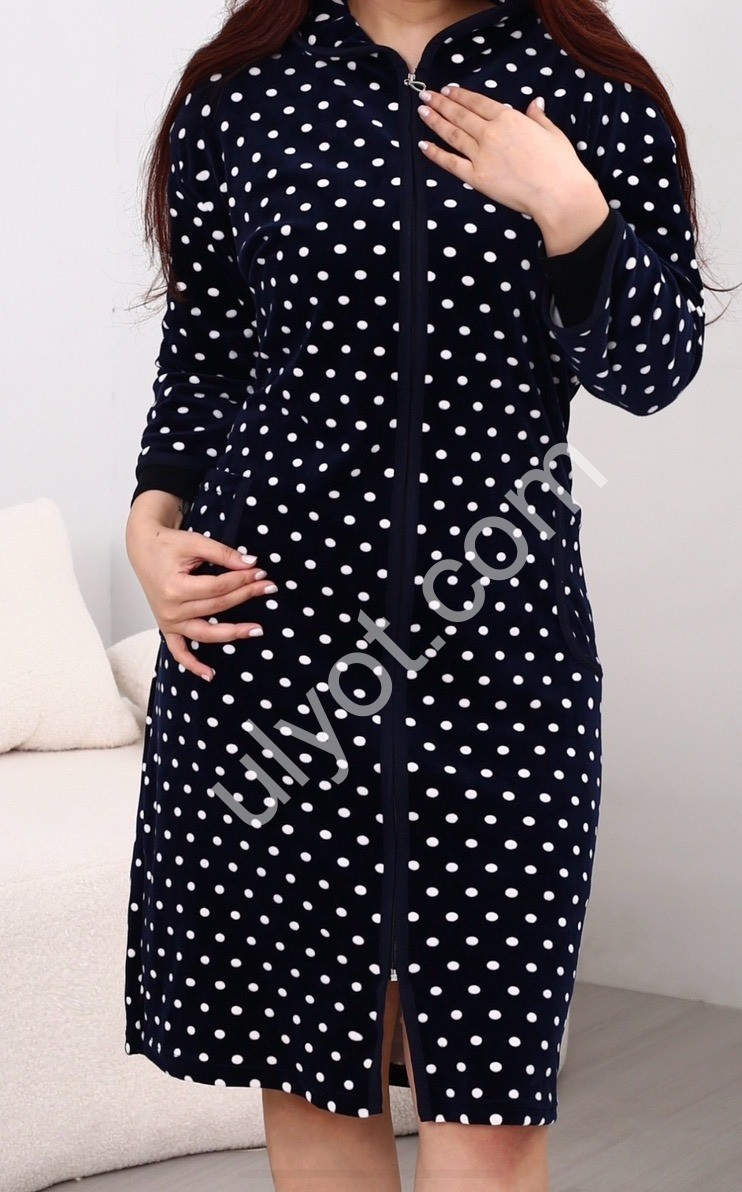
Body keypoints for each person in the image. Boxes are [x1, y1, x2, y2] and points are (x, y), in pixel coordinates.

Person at [123, 1, 706, 1187]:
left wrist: (570, 210)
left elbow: (655, 367)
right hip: (269, 643)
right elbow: (209, 354)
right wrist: (152, 521)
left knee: (489, 1107)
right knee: (308, 1078)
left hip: (498, 647)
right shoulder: (242, 89)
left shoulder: (590, 85)